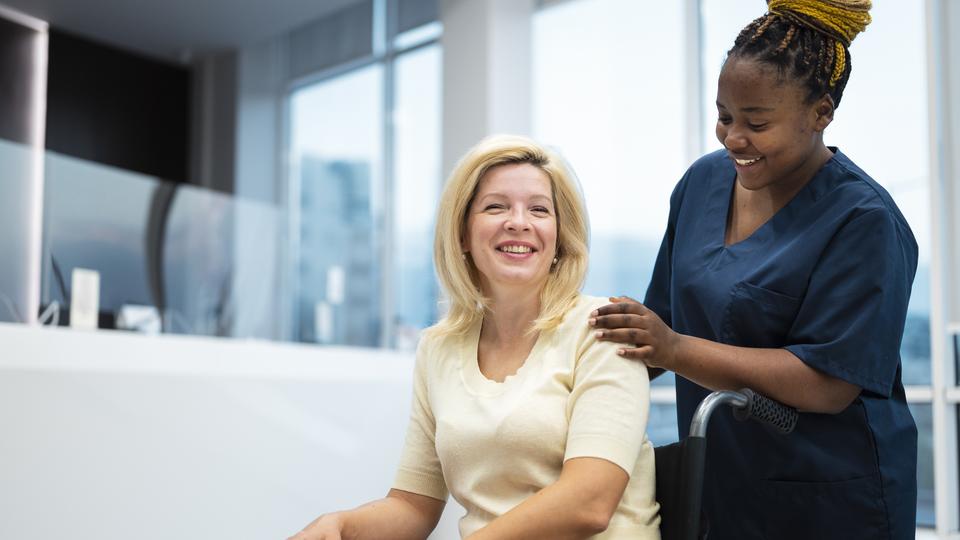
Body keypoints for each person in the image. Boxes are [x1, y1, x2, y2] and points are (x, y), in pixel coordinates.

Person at [590, 1, 917, 538]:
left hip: (830, 498)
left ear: (822, 113)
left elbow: (829, 382)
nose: (733, 138)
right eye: (724, 115)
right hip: (721, 485)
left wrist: (674, 349)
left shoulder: (864, 220)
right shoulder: (702, 184)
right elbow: (658, 323)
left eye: (757, 123)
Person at [290, 135, 661, 540]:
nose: (518, 222)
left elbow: (588, 503)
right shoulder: (439, 348)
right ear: (463, 235)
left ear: (558, 238)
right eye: (495, 206)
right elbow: (413, 505)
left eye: (539, 209)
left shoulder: (603, 328)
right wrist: (342, 526)